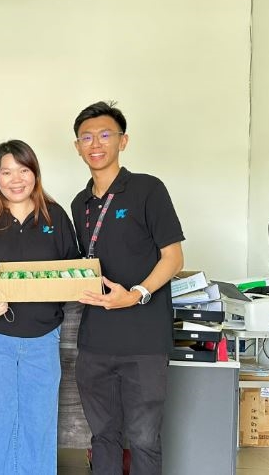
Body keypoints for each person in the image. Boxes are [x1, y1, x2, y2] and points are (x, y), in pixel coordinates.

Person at [70, 101, 185, 474]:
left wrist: (136, 294)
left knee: (143, 438)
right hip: (94, 344)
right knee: (102, 436)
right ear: (77, 146)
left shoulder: (148, 190)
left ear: (124, 141)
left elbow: (173, 258)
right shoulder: (79, 203)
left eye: (105, 135)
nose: (96, 144)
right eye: (86, 137)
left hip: (144, 343)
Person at [0, 140, 80, 474]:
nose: (16, 179)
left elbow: (72, 270)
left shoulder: (54, 215)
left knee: (38, 424)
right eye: (7, 171)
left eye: (23, 170)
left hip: (43, 337)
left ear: (35, 173)